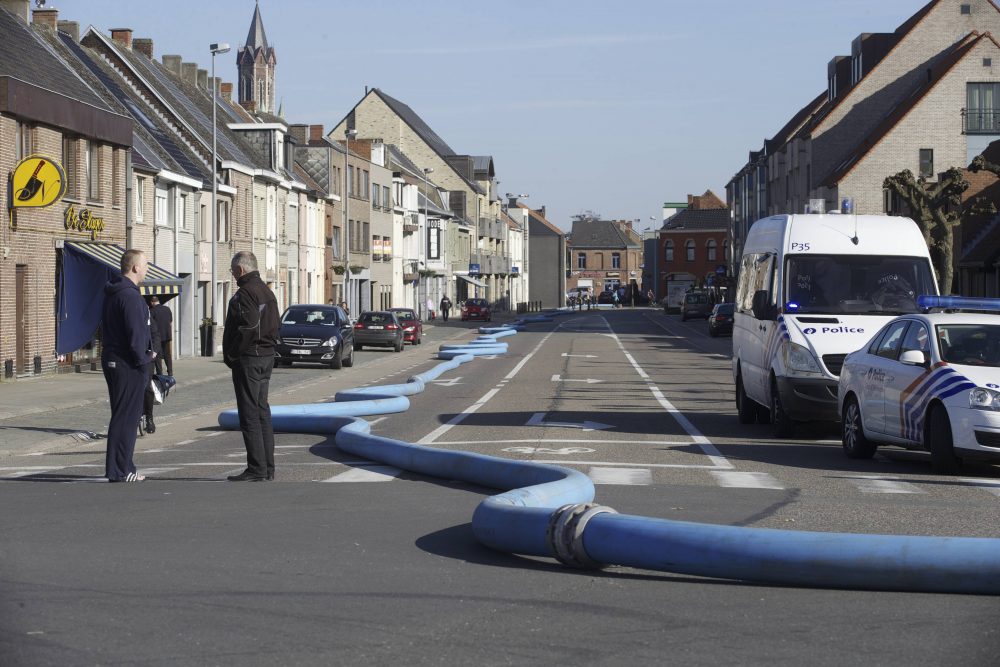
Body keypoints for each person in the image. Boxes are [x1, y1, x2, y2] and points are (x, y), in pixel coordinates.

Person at [222, 251, 279, 482]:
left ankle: (256, 468)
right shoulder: (267, 291)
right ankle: (267, 468)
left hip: (250, 358)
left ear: (241, 270)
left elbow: (248, 326)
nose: (233, 275)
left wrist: (233, 353)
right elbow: (275, 324)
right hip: (265, 357)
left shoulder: (246, 293)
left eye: (233, 271)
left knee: (250, 414)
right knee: (262, 411)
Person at [101, 249, 156, 483]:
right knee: (127, 417)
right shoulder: (131, 297)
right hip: (127, 362)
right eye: (144, 265)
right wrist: (144, 359)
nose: (146, 269)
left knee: (121, 415)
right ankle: (121, 469)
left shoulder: (114, 292)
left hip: (113, 358)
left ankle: (121, 467)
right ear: (134, 268)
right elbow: (136, 334)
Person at [141, 307, 161, 434]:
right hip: (131, 357)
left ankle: (149, 418)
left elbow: (156, 334)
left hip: (147, 356)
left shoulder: (147, 315)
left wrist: (154, 351)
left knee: (147, 387)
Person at [149, 295, 173, 376]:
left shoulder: (152, 311)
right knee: (167, 355)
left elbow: (150, 325)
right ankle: (170, 372)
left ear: (152, 302)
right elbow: (170, 321)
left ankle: (159, 373)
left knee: (158, 356)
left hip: (157, 337)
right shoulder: (167, 309)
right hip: (167, 335)